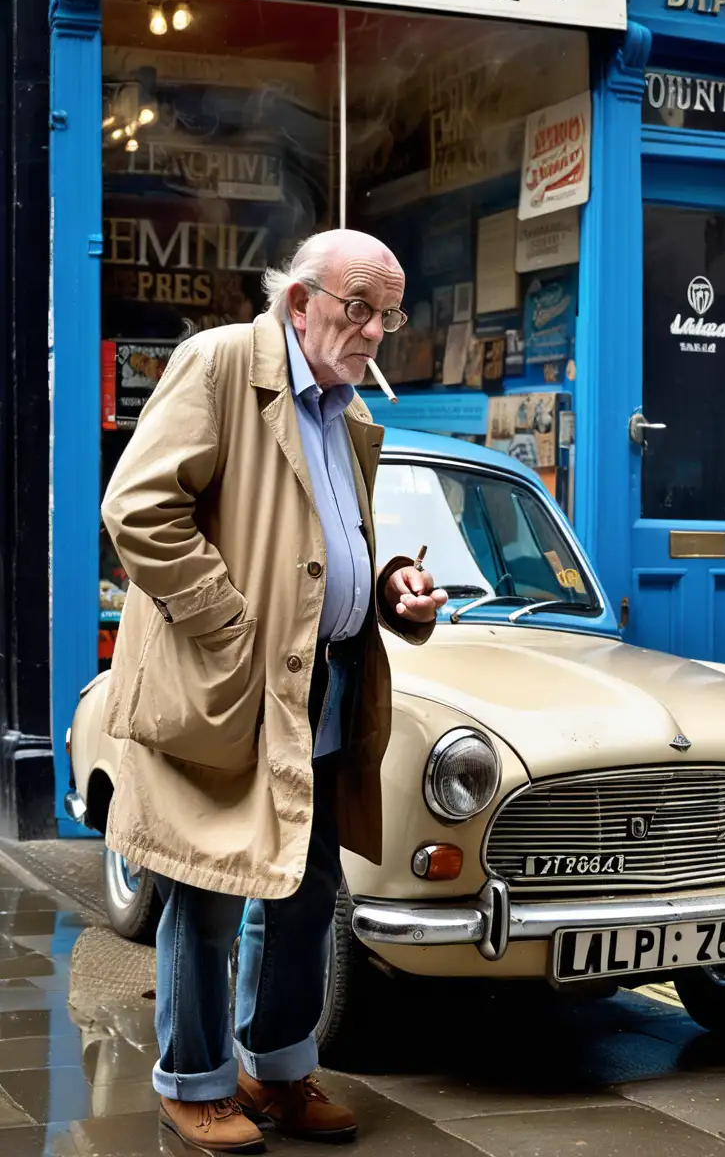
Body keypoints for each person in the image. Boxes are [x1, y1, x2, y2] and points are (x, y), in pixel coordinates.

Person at [100, 230, 447, 1153]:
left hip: (320, 687)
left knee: (305, 883)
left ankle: (278, 1069)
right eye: (358, 308)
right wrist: (229, 624)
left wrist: (388, 588)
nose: (376, 330)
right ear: (300, 301)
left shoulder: (344, 407)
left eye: (389, 314)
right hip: (227, 684)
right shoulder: (218, 365)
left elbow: (321, 547)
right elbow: (138, 509)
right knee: (206, 888)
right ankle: (194, 1081)